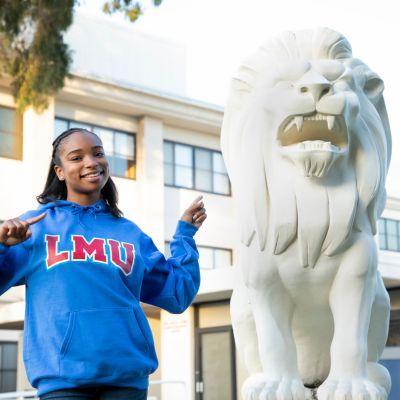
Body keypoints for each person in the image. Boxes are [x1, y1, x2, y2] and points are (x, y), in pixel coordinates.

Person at [0, 128, 206, 400]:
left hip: (127, 380)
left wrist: (184, 235)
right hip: (62, 384)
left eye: (98, 153)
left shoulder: (130, 233)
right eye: (76, 157)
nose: (91, 162)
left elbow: (177, 294)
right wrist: (2, 247)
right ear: (59, 171)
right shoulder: (34, 227)